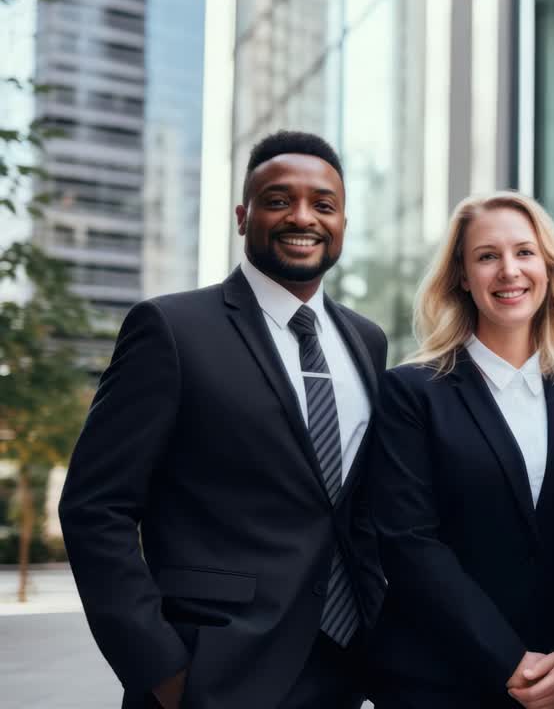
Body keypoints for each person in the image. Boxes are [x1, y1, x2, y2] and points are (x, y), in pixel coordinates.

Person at [59, 131, 387, 709]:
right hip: (212, 674)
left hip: (343, 668)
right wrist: (160, 669)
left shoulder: (367, 341)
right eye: (279, 199)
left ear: (342, 221)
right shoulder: (171, 330)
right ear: (243, 215)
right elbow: (94, 508)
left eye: (323, 204)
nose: (302, 217)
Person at [365, 192, 554, 709]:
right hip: (437, 679)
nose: (509, 271)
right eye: (487, 256)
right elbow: (408, 544)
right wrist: (511, 662)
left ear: (549, 267)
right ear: (463, 276)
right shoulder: (411, 392)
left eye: (524, 253)